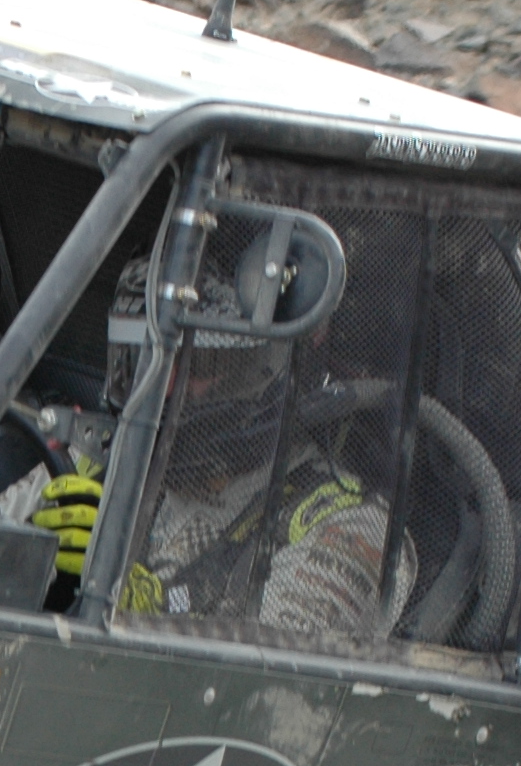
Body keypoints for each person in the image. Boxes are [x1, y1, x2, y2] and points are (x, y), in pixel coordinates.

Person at [38, 271, 410, 640]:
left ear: (265, 368)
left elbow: (267, 673)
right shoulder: (91, 461)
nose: (164, 387)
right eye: (146, 356)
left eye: (200, 362)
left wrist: (136, 611)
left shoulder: (352, 527)